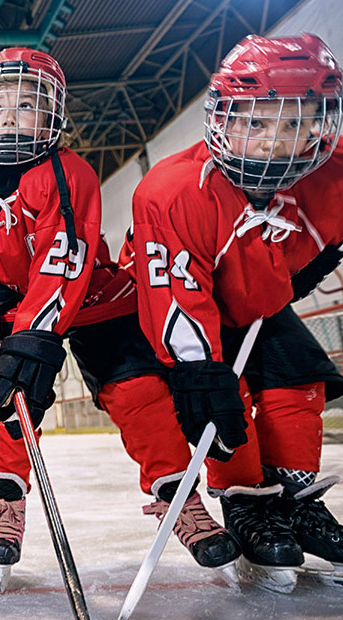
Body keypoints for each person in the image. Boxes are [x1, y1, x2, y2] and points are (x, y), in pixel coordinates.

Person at [0, 47, 244, 591]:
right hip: (10, 308)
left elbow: (66, 257)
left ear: (53, 114)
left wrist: (34, 335)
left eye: (27, 104)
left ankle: (182, 499)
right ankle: (4, 503)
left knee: (139, 396)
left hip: (96, 300)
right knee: (11, 403)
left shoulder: (69, 171)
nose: (10, 115)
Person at [128, 33, 343, 590]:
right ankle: (246, 497)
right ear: (222, 117)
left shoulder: (334, 174)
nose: (275, 142)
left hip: (258, 298)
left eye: (295, 123)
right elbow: (176, 298)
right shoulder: (171, 189)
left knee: (298, 378)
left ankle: (293, 494)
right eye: (257, 121)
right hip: (177, 303)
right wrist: (198, 369)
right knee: (221, 397)